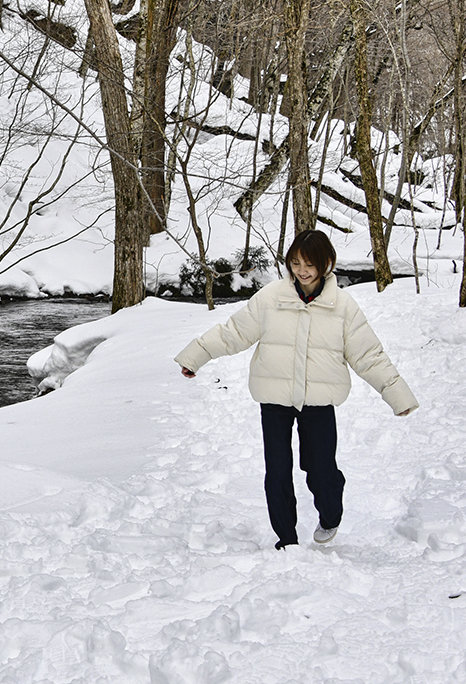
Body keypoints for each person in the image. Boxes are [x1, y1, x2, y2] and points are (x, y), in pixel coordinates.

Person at [173, 230, 418, 549]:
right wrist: (196, 356)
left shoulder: (342, 307)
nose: (302, 270)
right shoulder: (272, 297)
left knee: (321, 471)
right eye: (295, 262)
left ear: (326, 264)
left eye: (309, 264)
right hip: (273, 397)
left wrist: (397, 395)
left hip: (319, 400)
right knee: (277, 471)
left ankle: (330, 514)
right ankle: (286, 539)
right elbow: (233, 332)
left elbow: (368, 355)